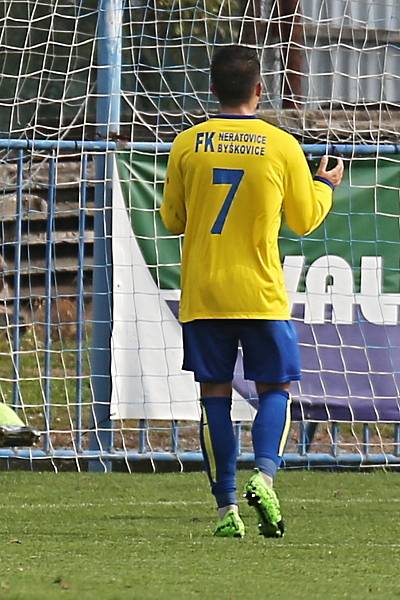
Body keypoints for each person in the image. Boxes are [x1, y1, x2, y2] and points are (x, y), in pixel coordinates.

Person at [159, 45, 344, 538]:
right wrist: (324, 184)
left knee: (214, 398)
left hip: (205, 293)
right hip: (260, 291)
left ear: (213, 89)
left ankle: (226, 512)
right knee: (276, 389)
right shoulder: (280, 145)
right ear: (260, 90)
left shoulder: (187, 143)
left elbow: (173, 219)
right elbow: (304, 221)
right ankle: (264, 474)